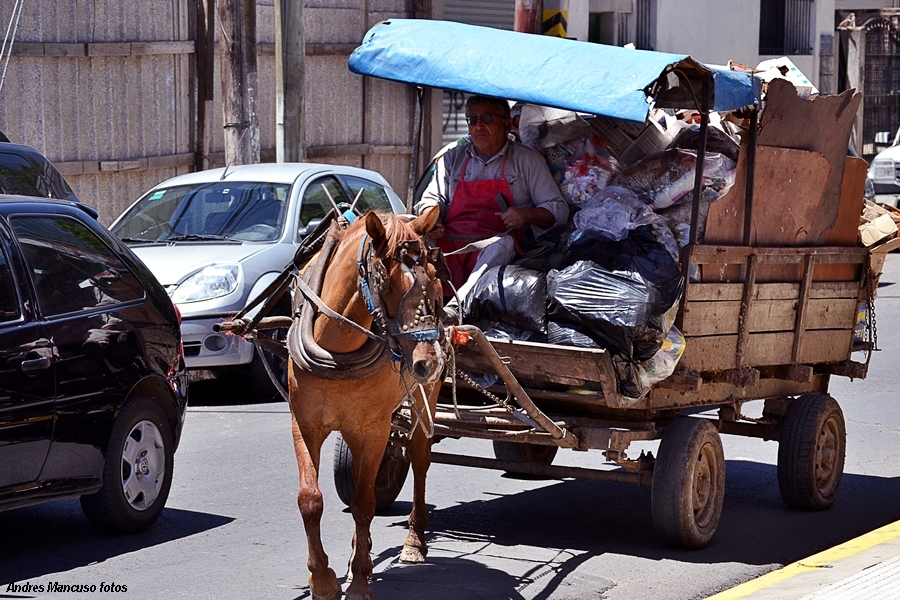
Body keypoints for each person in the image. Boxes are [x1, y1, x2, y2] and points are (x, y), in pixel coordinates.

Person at [416, 95, 568, 321]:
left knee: (501, 243)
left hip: (499, 244)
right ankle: (417, 306)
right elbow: (430, 199)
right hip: (453, 244)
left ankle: (458, 307)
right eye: (473, 120)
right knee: (412, 237)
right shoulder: (452, 159)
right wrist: (431, 219)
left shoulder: (526, 160)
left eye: (487, 118)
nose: (478, 126)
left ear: (506, 124)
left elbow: (559, 210)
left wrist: (526, 214)